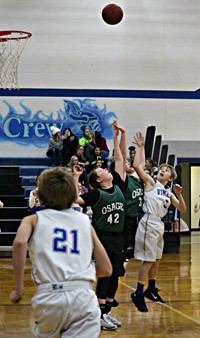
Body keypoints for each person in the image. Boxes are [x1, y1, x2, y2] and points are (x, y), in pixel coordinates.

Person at [10, 167, 112, 338]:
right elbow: (106, 269)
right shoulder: (85, 222)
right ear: (73, 195)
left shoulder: (33, 220)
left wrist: (19, 288)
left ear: (40, 194)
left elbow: (19, 243)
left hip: (49, 296)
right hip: (82, 296)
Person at [73, 120, 127, 331]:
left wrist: (118, 135)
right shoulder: (96, 194)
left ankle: (107, 312)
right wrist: (77, 177)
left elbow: (121, 158)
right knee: (104, 274)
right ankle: (99, 314)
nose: (105, 169)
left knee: (115, 275)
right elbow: (74, 199)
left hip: (118, 236)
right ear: (97, 179)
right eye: (101, 170)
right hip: (102, 237)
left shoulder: (119, 185)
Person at [131, 132, 186, 313]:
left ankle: (151, 289)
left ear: (171, 178)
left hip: (159, 225)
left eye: (166, 170)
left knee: (156, 260)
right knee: (147, 261)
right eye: (161, 169)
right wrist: (140, 147)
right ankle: (138, 293)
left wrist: (178, 194)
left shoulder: (168, 192)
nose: (162, 170)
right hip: (148, 222)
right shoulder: (151, 183)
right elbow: (137, 167)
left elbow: (182, 209)